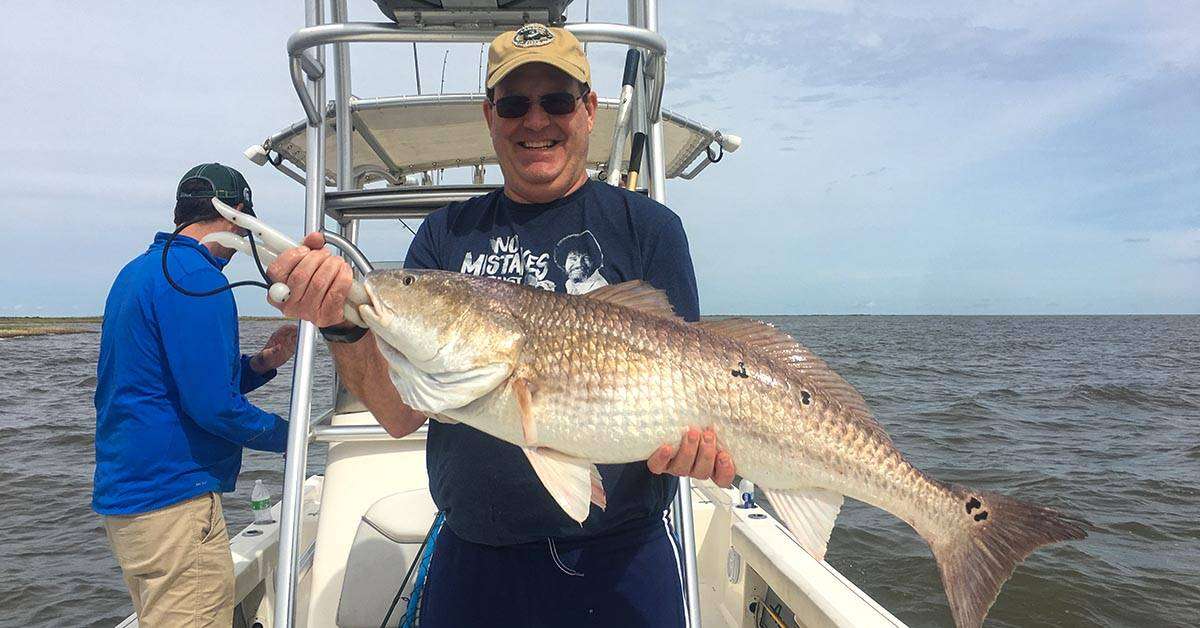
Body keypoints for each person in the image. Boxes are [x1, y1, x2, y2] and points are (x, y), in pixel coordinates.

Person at [267, 24, 735, 627]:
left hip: (623, 559)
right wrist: (341, 326)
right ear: (491, 117)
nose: (535, 121)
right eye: (514, 104)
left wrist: (705, 453)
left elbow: (699, 389)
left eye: (557, 101)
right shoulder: (445, 235)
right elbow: (398, 413)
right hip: (476, 563)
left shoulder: (650, 229)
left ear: (589, 110)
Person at [93, 163, 295, 627]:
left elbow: (169, 383)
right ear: (237, 216)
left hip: (130, 505)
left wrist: (261, 364)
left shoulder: (136, 273)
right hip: (175, 505)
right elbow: (213, 407)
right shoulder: (198, 279)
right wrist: (292, 436)